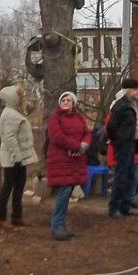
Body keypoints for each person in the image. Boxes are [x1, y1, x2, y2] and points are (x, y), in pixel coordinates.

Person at [44, 90, 90, 241]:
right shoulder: (55, 118)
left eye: (68, 100)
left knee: (68, 190)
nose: (65, 102)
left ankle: (61, 225)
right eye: (63, 100)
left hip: (75, 159)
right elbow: (57, 137)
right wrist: (77, 146)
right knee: (64, 191)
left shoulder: (79, 118)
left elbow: (87, 133)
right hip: (60, 159)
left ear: (73, 103)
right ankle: (56, 226)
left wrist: (84, 145)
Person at [0, 83, 39, 229]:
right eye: (21, 95)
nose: (24, 98)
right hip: (12, 157)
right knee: (8, 186)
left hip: (18, 157)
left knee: (19, 186)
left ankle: (17, 216)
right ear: (15, 98)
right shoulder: (10, 115)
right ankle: (0, 218)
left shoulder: (16, 112)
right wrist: (17, 155)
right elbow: (9, 138)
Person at [106, 77, 138, 218]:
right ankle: (114, 207)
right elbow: (110, 126)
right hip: (123, 146)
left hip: (131, 144)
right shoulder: (121, 106)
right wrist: (119, 140)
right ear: (127, 91)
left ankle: (125, 206)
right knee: (121, 177)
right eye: (135, 89)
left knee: (129, 177)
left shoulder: (132, 105)